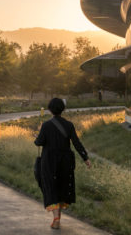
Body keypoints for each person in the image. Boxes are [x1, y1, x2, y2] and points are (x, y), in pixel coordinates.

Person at [35, 97, 90, 230]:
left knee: (51, 186)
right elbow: (76, 143)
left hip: (49, 161)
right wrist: (85, 158)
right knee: (61, 186)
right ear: (63, 109)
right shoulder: (69, 125)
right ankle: (57, 218)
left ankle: (56, 218)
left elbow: (39, 142)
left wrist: (38, 135)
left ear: (50, 109)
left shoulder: (46, 125)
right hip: (65, 161)